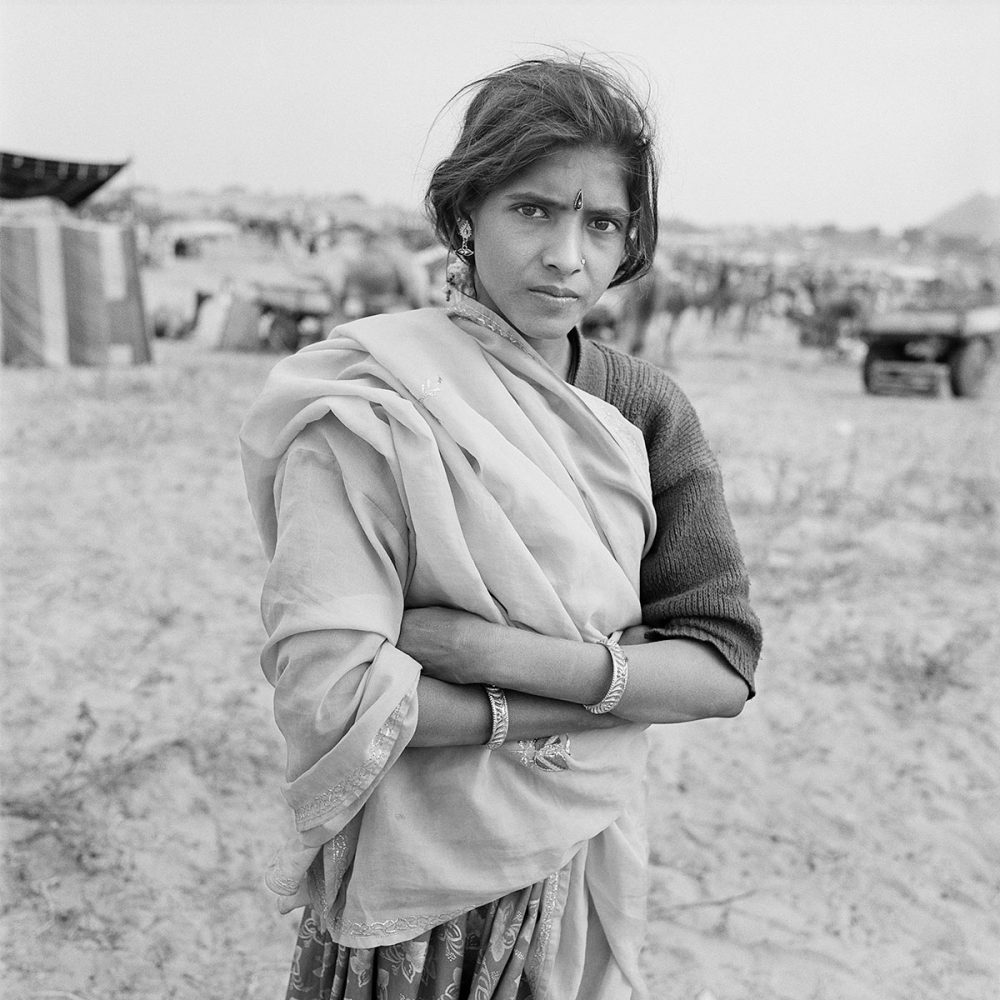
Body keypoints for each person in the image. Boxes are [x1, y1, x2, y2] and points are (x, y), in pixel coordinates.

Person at [240, 55, 761, 1000]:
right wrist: (613, 697)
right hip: (412, 881)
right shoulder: (373, 402)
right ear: (464, 213)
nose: (568, 254)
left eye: (601, 222)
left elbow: (721, 670)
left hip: (576, 855)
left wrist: (485, 654)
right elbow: (335, 697)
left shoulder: (644, 411)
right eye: (532, 209)